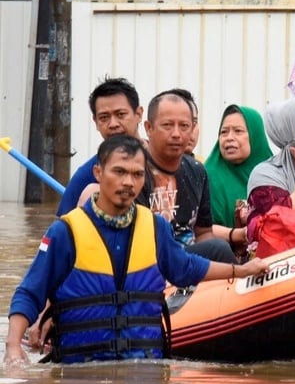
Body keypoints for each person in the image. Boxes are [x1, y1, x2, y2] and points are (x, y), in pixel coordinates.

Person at [5, 135, 269, 366]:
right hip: (79, 370)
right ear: (98, 173)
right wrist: (13, 347)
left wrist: (241, 270)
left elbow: (187, 268)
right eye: (119, 172)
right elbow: (30, 292)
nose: (128, 182)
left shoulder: (155, 227)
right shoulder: (64, 232)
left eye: (137, 174)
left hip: (144, 367)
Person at [137, 90, 233, 263]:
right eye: (167, 125)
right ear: (148, 128)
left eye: (184, 126)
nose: (176, 134)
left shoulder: (197, 170)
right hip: (148, 261)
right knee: (219, 249)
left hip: (188, 261)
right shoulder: (134, 171)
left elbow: (203, 232)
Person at [57, 77, 144, 216]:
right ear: (96, 122)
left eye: (121, 114)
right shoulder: (85, 177)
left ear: (138, 114)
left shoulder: (164, 161)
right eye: (104, 117)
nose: (113, 124)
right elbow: (62, 230)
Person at [204, 104, 272, 250]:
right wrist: (238, 234)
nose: (229, 138)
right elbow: (201, 230)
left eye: (238, 131)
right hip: (223, 261)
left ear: (255, 135)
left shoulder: (274, 174)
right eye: (224, 132)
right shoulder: (207, 176)